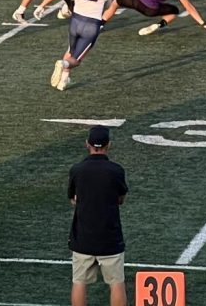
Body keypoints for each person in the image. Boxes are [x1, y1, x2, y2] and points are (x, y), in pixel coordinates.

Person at [36, 0, 120, 91]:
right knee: (76, 60)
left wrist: (41, 6)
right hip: (92, 24)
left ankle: (63, 81)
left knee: (71, 49)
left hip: (75, 21)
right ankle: (63, 64)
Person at [66, 125, 128, 306]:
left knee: (79, 283)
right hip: (110, 237)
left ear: (88, 144)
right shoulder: (116, 170)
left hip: (83, 236)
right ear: (109, 145)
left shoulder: (77, 170)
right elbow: (121, 198)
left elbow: (73, 199)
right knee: (116, 283)